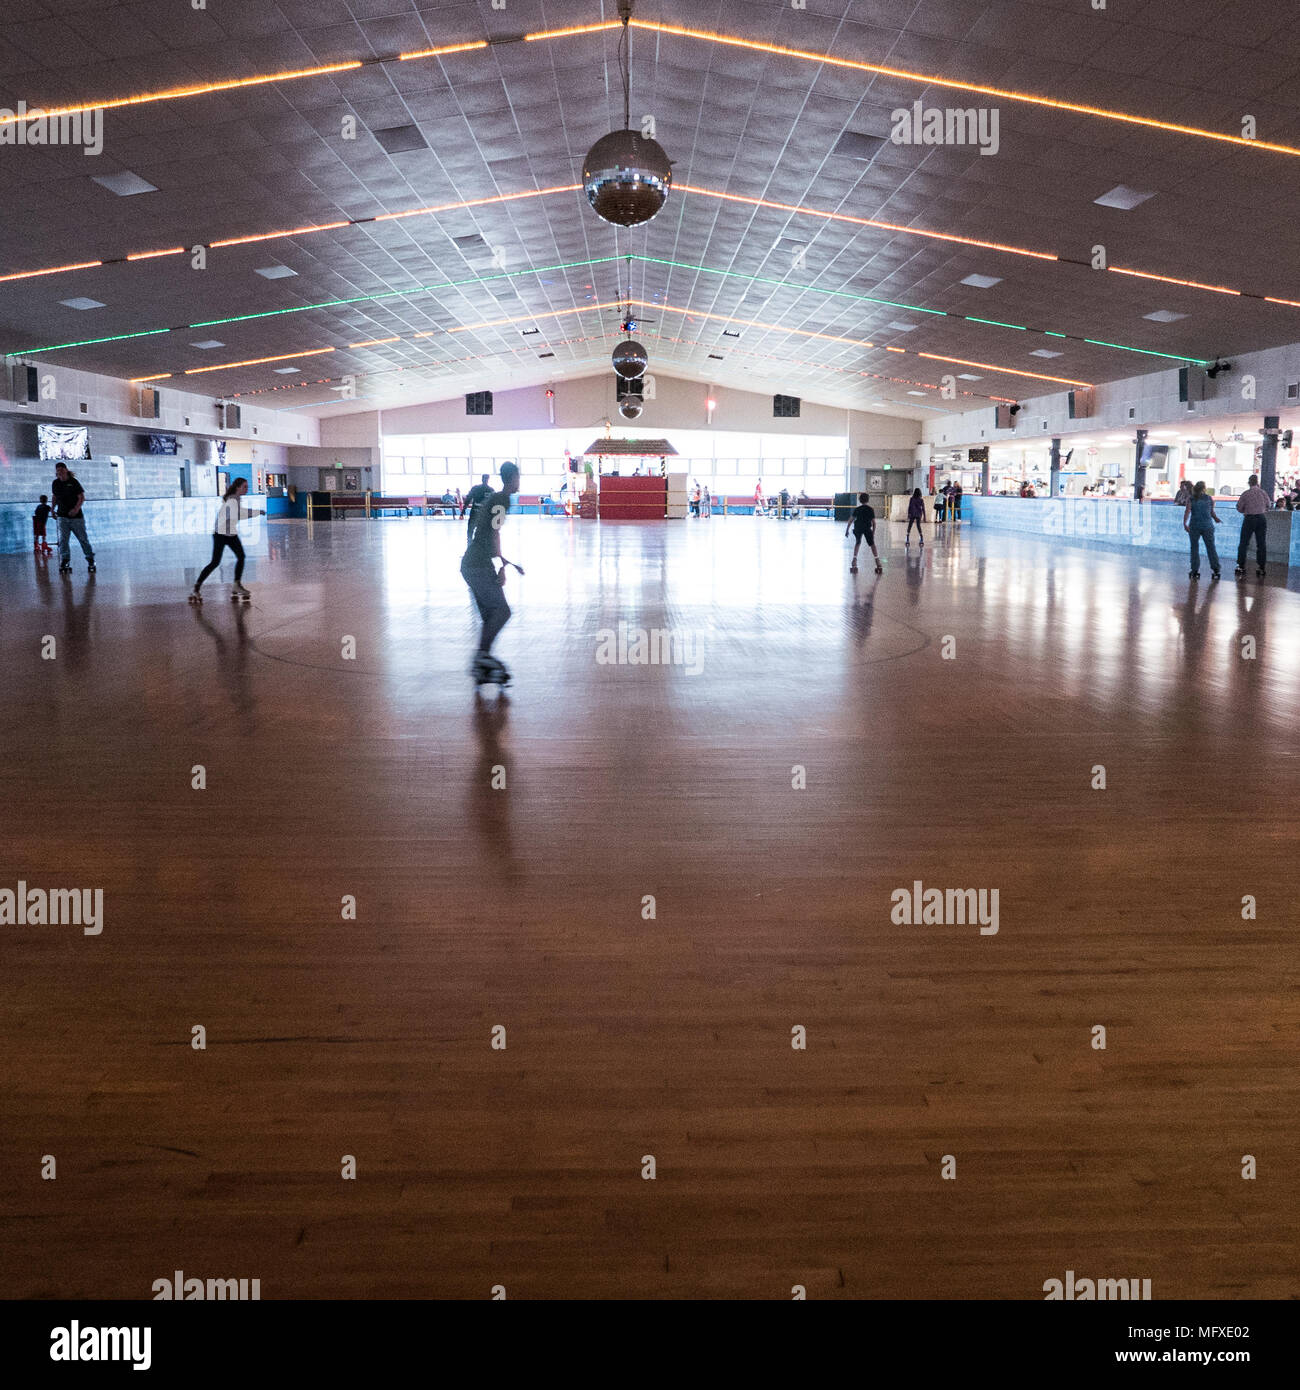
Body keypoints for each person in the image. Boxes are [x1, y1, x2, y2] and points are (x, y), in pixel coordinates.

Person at [461, 462, 522, 686]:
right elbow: (494, 533)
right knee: (502, 611)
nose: (519, 481)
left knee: (491, 616)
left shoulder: (497, 498)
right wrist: (502, 566)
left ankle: (482, 660)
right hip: (477, 564)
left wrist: (501, 562)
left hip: (473, 563)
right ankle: (481, 657)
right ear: (512, 477)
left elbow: (486, 530)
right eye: (518, 477)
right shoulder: (502, 499)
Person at [189, 478, 264, 603]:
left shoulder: (236, 499)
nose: (247, 489)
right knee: (215, 562)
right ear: (238, 487)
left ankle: (236, 584)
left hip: (230, 533)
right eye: (245, 486)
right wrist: (257, 512)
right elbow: (239, 515)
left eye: (247, 486)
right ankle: (196, 588)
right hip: (220, 534)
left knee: (241, 556)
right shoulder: (232, 500)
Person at [52, 462, 95, 573]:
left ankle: (90, 559)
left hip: (76, 517)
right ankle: (65, 560)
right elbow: (55, 496)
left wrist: (76, 509)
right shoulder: (55, 483)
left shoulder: (73, 482)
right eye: (58, 470)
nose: (60, 472)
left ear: (66, 470)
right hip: (62, 516)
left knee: (83, 539)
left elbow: (81, 497)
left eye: (62, 469)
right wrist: (52, 508)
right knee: (63, 540)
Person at [1183, 480, 1222, 579]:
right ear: (1204, 489)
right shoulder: (1209, 498)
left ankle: (1194, 569)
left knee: (1194, 547)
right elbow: (1211, 512)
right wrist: (1216, 519)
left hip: (1194, 526)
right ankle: (1216, 569)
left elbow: (1187, 511)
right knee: (1211, 547)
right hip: (1207, 526)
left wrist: (1184, 523)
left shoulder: (1191, 499)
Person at [1234, 472, 1270, 577]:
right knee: (1261, 543)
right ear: (1257, 482)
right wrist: (1262, 510)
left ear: (1249, 483)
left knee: (1244, 543)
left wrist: (1245, 510)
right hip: (1261, 518)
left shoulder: (1246, 494)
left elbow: (1239, 507)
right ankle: (1261, 567)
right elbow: (1268, 504)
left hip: (1249, 519)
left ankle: (1241, 565)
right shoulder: (1263, 493)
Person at [845, 492, 882, 574]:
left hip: (858, 527)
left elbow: (850, 520)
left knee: (858, 542)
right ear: (868, 500)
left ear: (860, 500)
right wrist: (873, 533)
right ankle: (877, 561)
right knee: (872, 544)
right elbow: (874, 523)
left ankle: (854, 560)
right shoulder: (870, 509)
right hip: (867, 528)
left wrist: (847, 530)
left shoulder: (857, 509)